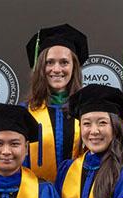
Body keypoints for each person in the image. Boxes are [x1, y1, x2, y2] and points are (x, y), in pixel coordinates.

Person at [23, 24, 88, 182]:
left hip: (78, 196)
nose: (57, 69)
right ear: (40, 67)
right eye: (49, 62)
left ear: (74, 67)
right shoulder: (24, 112)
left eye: (64, 62)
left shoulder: (87, 110)